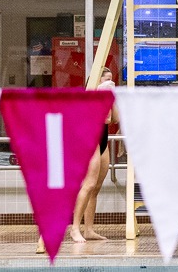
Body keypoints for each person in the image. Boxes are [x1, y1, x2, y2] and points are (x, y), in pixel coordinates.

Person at [70, 67, 117, 243]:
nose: (110, 83)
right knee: (88, 184)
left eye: (112, 80)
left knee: (96, 188)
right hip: (89, 140)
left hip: (103, 140)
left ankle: (88, 229)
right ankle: (75, 228)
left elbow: (114, 119)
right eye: (107, 80)